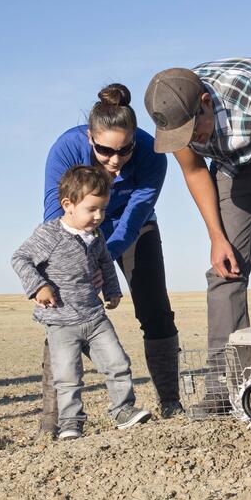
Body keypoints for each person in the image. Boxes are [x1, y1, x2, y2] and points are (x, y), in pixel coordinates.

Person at [143, 58, 251, 413]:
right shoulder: (175, 117)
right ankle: (221, 388)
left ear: (206, 104)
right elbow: (195, 172)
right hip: (231, 166)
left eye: (195, 132)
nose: (191, 141)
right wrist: (216, 237)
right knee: (225, 270)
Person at [37, 83, 181, 438]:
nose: (115, 160)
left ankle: (171, 402)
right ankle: (52, 422)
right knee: (64, 312)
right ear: (90, 138)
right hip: (75, 231)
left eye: (124, 149)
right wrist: (77, 261)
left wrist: (103, 259)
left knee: (155, 308)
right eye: (104, 150)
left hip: (132, 229)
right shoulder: (66, 148)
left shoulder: (152, 153)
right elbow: (56, 215)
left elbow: (136, 215)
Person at [13, 165, 152, 439]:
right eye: (92, 209)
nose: (99, 216)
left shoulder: (96, 235)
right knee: (67, 377)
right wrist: (38, 285)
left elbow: (104, 262)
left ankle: (123, 409)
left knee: (118, 363)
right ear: (68, 205)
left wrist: (112, 290)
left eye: (102, 209)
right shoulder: (48, 234)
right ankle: (70, 424)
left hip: (94, 317)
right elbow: (20, 258)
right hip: (61, 322)